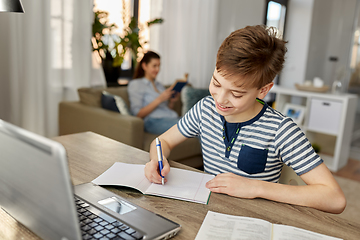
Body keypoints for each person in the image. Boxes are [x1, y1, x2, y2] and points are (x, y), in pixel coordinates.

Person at [144, 25, 346, 214]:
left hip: (254, 220)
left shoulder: (281, 130)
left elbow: (334, 198)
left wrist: (255, 187)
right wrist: (157, 159)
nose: (220, 99)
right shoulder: (205, 109)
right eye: (216, 82)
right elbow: (162, 141)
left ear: (263, 90)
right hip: (209, 211)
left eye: (237, 94)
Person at [127, 51, 180, 135]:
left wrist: (172, 102)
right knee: (192, 127)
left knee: (198, 124)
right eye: (154, 66)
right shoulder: (136, 84)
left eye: (159, 66)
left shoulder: (159, 85)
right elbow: (137, 114)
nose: (157, 69)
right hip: (152, 121)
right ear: (144, 66)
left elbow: (165, 109)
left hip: (170, 117)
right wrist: (159, 99)